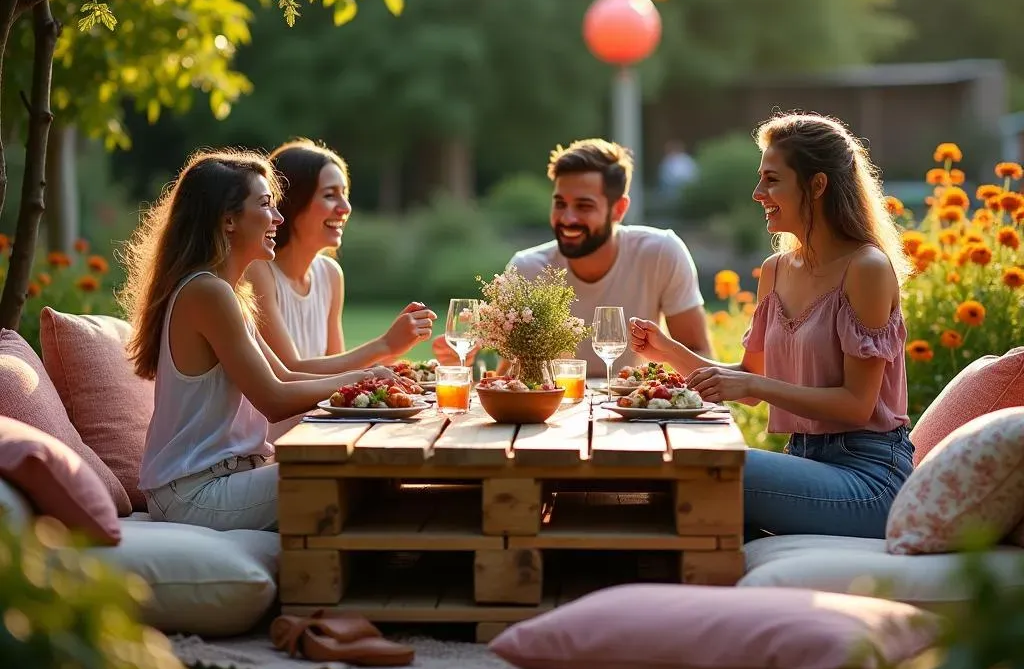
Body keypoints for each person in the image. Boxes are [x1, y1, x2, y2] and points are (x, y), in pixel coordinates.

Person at [629, 112, 914, 541]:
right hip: (808, 463)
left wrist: (753, 388)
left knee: (705, 468)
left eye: (772, 180)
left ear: (817, 186)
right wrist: (667, 350)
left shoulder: (866, 268)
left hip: (869, 480)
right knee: (696, 492)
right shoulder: (775, 271)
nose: (758, 193)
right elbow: (751, 376)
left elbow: (857, 405)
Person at [120, 148, 407, 531]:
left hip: (222, 481)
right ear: (228, 221)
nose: (278, 218)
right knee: (354, 473)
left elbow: (286, 375)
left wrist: (370, 379)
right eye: (266, 205)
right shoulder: (208, 293)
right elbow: (273, 399)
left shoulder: (228, 292)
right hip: (195, 492)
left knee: (366, 467)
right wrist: (361, 378)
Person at [435, 138, 711, 377]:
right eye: (560, 204)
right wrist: (464, 357)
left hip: (635, 414)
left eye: (584, 206)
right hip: (551, 419)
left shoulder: (661, 252)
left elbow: (700, 353)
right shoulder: (526, 268)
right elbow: (509, 374)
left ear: (618, 210)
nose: (567, 218)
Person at [247, 139, 436, 373]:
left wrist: (416, 364)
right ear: (290, 202)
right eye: (330, 195)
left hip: (313, 411)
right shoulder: (257, 271)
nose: (345, 207)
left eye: (344, 193)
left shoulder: (330, 274)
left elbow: (337, 372)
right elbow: (290, 371)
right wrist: (385, 345)